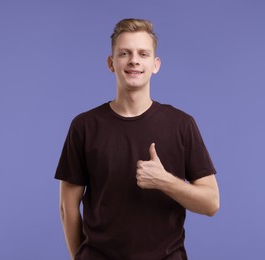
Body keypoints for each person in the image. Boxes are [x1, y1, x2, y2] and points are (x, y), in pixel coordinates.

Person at [55, 18, 220, 260]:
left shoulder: (181, 125)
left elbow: (211, 203)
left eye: (143, 54)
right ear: (111, 63)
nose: (134, 60)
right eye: (124, 53)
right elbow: (67, 206)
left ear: (155, 65)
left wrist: (165, 181)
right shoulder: (85, 126)